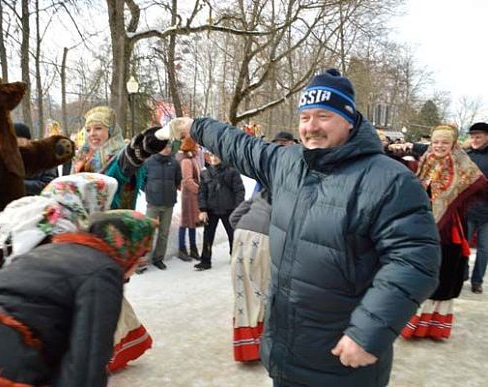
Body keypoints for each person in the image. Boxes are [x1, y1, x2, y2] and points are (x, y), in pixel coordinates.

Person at [157, 68, 441, 386]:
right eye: (305, 117)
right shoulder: (289, 163)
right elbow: (240, 145)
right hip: (286, 351)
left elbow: (415, 261)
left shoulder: (389, 180)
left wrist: (368, 333)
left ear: (349, 119)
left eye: (323, 116)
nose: (311, 127)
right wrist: (196, 126)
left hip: (342, 361)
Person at [0, 209, 156, 387]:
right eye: (141, 255)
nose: (137, 266)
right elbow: (88, 360)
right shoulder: (104, 269)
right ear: (129, 249)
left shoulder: (52, 249)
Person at [401, 125, 486, 339]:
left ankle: (432, 327)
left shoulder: (463, 165)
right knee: (418, 272)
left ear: (453, 144)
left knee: (443, 273)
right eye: (436, 142)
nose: (439, 146)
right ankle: (412, 324)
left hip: (448, 230)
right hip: (421, 226)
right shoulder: (425, 162)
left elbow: (481, 188)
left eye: (445, 143)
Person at [72, 106, 168, 209]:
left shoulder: (118, 154)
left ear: (111, 130)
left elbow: (125, 161)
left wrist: (145, 145)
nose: (92, 134)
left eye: (98, 128)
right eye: (88, 130)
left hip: (112, 219)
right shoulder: (81, 157)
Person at [229, 188, 272, 361]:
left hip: (241, 233)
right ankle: (259, 345)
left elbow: (233, 218)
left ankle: (245, 347)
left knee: (242, 293)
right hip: (265, 238)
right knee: (261, 291)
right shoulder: (289, 196)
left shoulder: (259, 194)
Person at [195, 152, 245, 271]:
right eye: (211, 155)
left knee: (233, 235)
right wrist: (203, 209)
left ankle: (236, 257)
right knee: (208, 236)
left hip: (229, 209)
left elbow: (239, 191)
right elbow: (202, 192)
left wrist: (238, 208)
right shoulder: (205, 173)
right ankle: (205, 260)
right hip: (211, 210)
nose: (214, 158)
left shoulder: (232, 171)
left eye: (216, 155)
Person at [141, 141, 182, 270]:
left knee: (164, 233)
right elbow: (142, 181)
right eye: (163, 147)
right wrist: (150, 191)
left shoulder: (174, 163)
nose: (166, 149)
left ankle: (158, 258)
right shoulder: (148, 162)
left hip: (168, 203)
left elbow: (177, 180)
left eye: (168, 146)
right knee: (148, 233)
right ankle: (143, 260)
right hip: (153, 203)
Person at [465, 122, 488, 294]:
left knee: (484, 249)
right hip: (467, 210)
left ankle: (477, 281)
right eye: (472, 136)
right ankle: (461, 274)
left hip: (487, 213)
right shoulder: (466, 156)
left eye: (478, 136)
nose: (474, 139)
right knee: (462, 247)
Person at [14, 122, 58, 195]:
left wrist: (18, 184)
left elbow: (48, 185)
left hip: (37, 203)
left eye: (18, 141)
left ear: (28, 141)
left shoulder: (45, 158)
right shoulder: (7, 159)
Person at [177, 137, 202, 261]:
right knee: (186, 221)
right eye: (196, 145)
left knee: (193, 221)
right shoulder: (186, 160)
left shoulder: (192, 158)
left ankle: (193, 248)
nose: (197, 147)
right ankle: (182, 248)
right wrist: (199, 189)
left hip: (193, 195)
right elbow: (187, 180)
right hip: (188, 195)